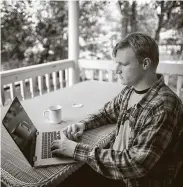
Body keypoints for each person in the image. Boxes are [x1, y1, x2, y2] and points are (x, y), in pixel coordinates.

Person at [51, 32, 183, 187]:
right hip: (114, 166)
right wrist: (83, 125)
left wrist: (76, 150)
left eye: (123, 64)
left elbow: (135, 164)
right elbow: (107, 112)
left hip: (134, 181)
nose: (116, 70)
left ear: (145, 63)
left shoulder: (163, 106)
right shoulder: (130, 90)